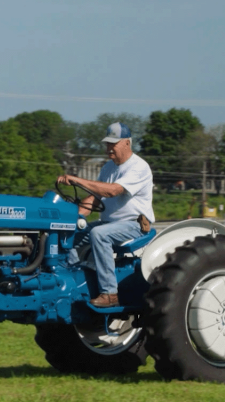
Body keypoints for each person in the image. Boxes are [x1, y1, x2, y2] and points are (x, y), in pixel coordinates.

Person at [57, 122, 155, 307]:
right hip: (109, 224)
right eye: (107, 143)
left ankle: (110, 293)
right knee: (65, 235)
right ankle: (75, 281)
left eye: (113, 143)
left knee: (99, 234)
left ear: (127, 143)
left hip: (135, 225)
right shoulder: (108, 167)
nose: (109, 148)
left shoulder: (139, 167)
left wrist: (77, 180)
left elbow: (113, 191)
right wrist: (74, 218)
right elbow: (95, 198)